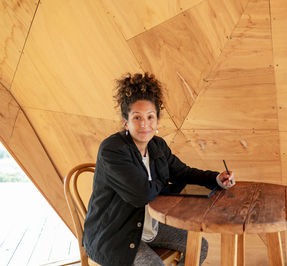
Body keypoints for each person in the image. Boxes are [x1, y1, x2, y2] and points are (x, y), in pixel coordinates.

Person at [83, 72, 235, 266]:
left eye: (150, 117)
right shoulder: (113, 149)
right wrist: (164, 182)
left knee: (199, 247)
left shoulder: (158, 146)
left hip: (148, 227)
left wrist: (216, 178)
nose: (144, 124)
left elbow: (183, 172)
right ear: (125, 123)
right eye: (137, 117)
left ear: (157, 122)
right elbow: (141, 194)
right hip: (115, 235)